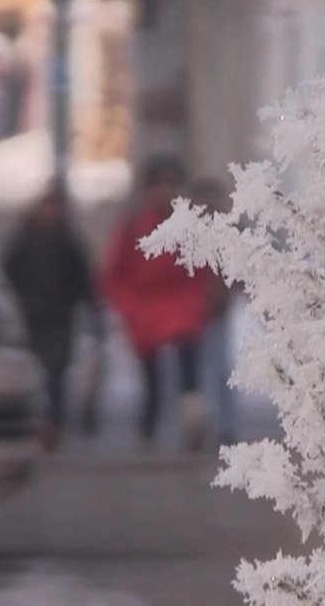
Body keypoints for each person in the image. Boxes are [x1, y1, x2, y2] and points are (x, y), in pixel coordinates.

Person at [101, 154, 215, 450]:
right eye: (159, 184)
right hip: (144, 309)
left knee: (188, 367)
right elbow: (115, 272)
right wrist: (127, 306)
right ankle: (148, 429)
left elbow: (201, 267)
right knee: (150, 377)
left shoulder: (189, 225)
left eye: (171, 184)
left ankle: (191, 417)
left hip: (182, 305)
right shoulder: (133, 225)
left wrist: (200, 298)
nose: (165, 191)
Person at [1, 182, 100, 451]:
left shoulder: (69, 241)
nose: (50, 213)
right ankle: (32, 423)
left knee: (56, 373)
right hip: (29, 316)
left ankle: (53, 424)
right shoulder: (22, 239)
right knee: (31, 372)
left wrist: (93, 308)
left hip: (59, 316)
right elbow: (6, 274)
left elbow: (83, 279)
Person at [188, 177, 240, 445]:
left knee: (218, 370)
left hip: (215, 312)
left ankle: (223, 423)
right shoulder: (186, 233)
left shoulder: (225, 231)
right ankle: (201, 423)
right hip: (188, 312)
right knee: (199, 371)